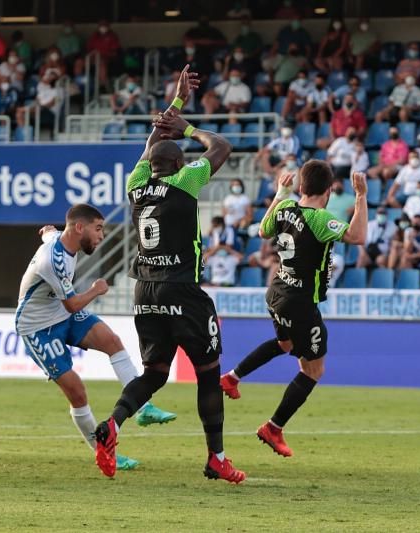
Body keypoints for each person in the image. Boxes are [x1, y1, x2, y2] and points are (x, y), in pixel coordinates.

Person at [93, 66, 246, 483]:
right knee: (209, 373)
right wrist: (190, 126)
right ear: (179, 161)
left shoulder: (136, 183)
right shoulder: (186, 181)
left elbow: (150, 144)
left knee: (155, 373)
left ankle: (113, 424)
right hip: (183, 291)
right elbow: (222, 145)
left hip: (144, 293)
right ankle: (216, 458)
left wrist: (176, 103)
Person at [219, 165, 368, 458]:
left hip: (276, 291)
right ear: (327, 192)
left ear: (301, 188)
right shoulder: (321, 218)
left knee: (285, 343)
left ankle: (232, 377)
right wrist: (361, 196)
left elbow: (262, 231)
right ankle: (273, 428)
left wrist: (279, 194)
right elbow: (357, 236)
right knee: (313, 369)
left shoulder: (286, 207)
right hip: (300, 302)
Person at [16, 206, 176, 469]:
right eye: (98, 228)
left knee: (112, 341)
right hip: (38, 327)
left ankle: (143, 407)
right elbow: (72, 305)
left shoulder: (60, 238)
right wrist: (95, 290)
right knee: (77, 393)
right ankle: (103, 452)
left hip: (60, 313)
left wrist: (46, 231)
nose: (102, 235)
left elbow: (49, 233)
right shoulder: (52, 260)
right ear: (80, 227)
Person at [86, 21, 121, 86]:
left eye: (104, 26)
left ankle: (103, 85)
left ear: (108, 27)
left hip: (106, 58)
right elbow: (89, 49)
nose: (103, 27)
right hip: (93, 57)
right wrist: (92, 54)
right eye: (101, 26)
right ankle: (79, 83)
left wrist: (102, 53)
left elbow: (114, 52)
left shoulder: (112, 36)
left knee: (100, 62)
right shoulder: (94, 36)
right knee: (79, 62)